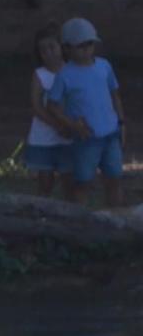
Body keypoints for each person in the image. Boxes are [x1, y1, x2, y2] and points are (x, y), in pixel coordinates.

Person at [45, 18, 125, 208]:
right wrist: (71, 124)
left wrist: (121, 122)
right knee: (83, 182)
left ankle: (117, 216)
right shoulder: (64, 75)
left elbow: (115, 95)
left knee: (114, 178)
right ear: (67, 48)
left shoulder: (104, 66)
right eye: (80, 45)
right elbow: (52, 105)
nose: (87, 49)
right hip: (86, 138)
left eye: (90, 44)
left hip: (111, 133)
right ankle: (79, 218)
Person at [24, 23, 73, 197]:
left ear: (62, 47)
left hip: (68, 136)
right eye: (43, 50)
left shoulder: (72, 72)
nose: (48, 53)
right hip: (44, 137)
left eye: (52, 47)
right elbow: (36, 106)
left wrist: (71, 127)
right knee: (45, 182)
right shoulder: (40, 74)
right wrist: (57, 125)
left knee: (69, 182)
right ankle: (42, 211)